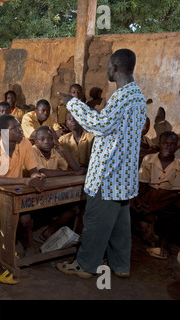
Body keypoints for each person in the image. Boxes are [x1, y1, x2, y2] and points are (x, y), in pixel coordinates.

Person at [56, 48, 146, 279]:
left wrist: (73, 103)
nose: (107, 69)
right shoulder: (137, 95)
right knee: (119, 226)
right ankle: (120, 264)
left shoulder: (123, 95)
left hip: (108, 174)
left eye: (107, 66)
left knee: (95, 222)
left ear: (115, 67)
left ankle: (86, 265)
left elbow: (99, 124)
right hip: (124, 175)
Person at [0, 114, 46, 284]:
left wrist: (36, 176)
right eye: (14, 128)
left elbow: (32, 167)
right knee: (1, 219)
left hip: (15, 194)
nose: (20, 131)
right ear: (2, 133)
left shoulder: (24, 144)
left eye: (19, 127)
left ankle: (9, 252)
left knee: (24, 218)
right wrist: (24, 180)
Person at [27, 126, 85, 246]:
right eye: (42, 139)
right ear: (36, 142)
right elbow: (44, 172)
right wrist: (73, 173)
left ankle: (48, 232)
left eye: (50, 138)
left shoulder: (55, 151)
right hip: (36, 193)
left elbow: (76, 167)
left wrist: (59, 145)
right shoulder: (32, 151)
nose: (47, 142)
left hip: (52, 192)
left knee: (75, 208)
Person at [132, 131, 179, 259]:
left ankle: (165, 242)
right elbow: (142, 184)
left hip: (167, 200)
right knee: (130, 205)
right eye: (165, 143)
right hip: (150, 196)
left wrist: (152, 205)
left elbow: (173, 193)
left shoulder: (178, 164)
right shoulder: (149, 159)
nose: (168, 147)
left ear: (177, 146)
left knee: (175, 207)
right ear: (159, 144)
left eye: (172, 144)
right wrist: (139, 200)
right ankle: (145, 233)